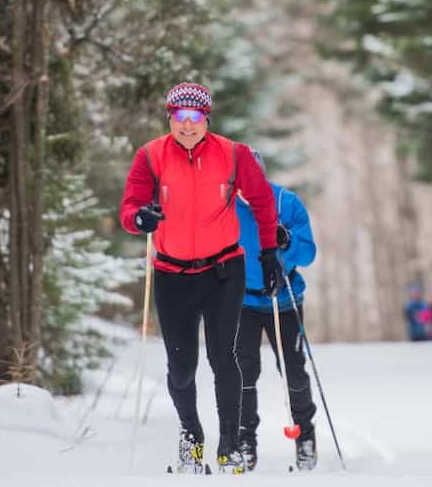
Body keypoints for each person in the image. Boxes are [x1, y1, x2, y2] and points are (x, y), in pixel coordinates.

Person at [119, 82, 279, 474]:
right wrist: (141, 219)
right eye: (179, 117)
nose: (187, 125)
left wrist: (270, 251)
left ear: (207, 119)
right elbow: (130, 206)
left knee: (223, 357)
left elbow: (262, 201)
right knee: (181, 366)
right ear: (169, 118)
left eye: (195, 118)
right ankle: (191, 438)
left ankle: (229, 446)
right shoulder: (151, 156)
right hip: (172, 274)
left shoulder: (234, 154)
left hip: (224, 271)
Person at [234, 149, 318, 472]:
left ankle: (305, 435)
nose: (247, 183)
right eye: (241, 176)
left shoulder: (285, 202)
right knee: (242, 371)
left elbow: (308, 253)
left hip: (283, 299)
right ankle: (245, 441)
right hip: (242, 301)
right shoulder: (227, 207)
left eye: (253, 175)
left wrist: (287, 241)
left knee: (293, 371)